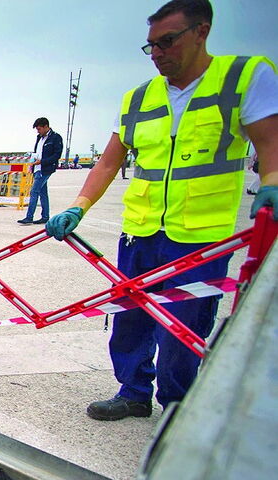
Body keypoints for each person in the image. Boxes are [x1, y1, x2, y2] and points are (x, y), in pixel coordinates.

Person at [46, 0, 277, 421]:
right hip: (140, 230)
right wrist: (78, 207)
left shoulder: (242, 78)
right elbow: (109, 160)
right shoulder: (139, 97)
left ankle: (177, 408)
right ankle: (133, 391)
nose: (157, 54)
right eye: (150, 46)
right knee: (130, 319)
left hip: (200, 238)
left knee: (182, 329)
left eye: (167, 42)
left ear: (201, 32)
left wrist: (272, 184)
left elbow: (269, 141)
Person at [18, 118, 63, 225]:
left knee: (34, 191)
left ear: (46, 126)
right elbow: (38, 152)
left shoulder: (55, 138)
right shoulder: (39, 138)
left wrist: (42, 161)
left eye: (39, 129)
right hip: (37, 168)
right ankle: (45, 216)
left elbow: (57, 155)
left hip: (45, 168)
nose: (38, 131)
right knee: (43, 193)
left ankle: (29, 217)